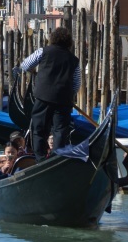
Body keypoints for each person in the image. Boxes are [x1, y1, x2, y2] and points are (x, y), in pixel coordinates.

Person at [17, 26, 81, 160]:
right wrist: (69, 94)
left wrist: (36, 72)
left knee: (39, 128)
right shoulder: (74, 60)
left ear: (52, 39)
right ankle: (55, 157)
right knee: (60, 130)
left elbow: (26, 64)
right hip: (64, 99)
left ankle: (40, 158)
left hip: (43, 96)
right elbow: (76, 83)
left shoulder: (43, 51)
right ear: (68, 42)